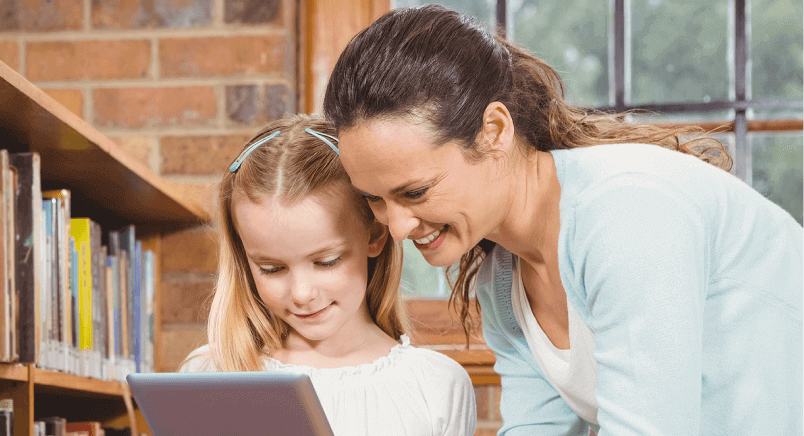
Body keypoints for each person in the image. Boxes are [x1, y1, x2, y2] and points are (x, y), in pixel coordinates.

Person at [322, 5, 804, 436]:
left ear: (494, 130)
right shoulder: (502, 279)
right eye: (375, 200)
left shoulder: (627, 213)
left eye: (415, 192)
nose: (398, 227)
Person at [179, 114, 476, 436]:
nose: (301, 293)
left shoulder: (435, 385)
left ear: (375, 235)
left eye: (326, 262)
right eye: (272, 269)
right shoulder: (208, 375)